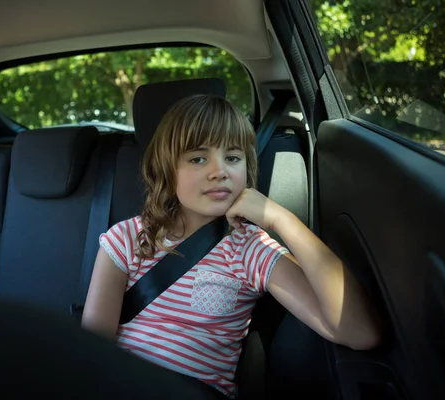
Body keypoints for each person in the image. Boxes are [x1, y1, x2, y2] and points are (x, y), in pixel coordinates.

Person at [81, 94, 381, 399]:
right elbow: (91, 353)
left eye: (233, 158)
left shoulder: (250, 250)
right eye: (198, 158)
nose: (219, 171)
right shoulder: (128, 239)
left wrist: (280, 219)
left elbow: (359, 332)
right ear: (167, 172)